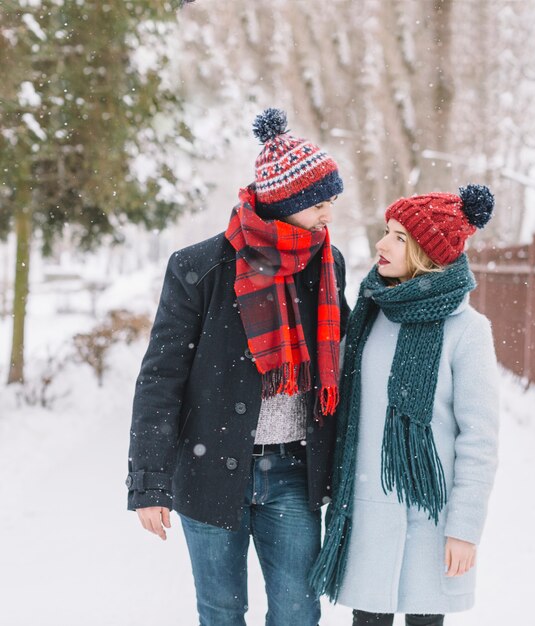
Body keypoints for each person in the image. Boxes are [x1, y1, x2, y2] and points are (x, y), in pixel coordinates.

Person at [126, 107, 350, 626]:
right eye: (319, 203)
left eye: (331, 201)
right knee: (221, 613)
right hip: (209, 470)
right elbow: (160, 379)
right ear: (284, 202)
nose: (328, 216)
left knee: (298, 613)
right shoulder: (199, 268)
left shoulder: (327, 264)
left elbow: (345, 364)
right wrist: (149, 483)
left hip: (294, 470)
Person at [310, 185, 500, 626]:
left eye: (398, 236)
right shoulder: (369, 313)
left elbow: (480, 439)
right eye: (386, 231)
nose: (381, 243)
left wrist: (465, 530)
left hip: (432, 520)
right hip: (368, 513)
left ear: (426, 253)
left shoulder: (467, 331)